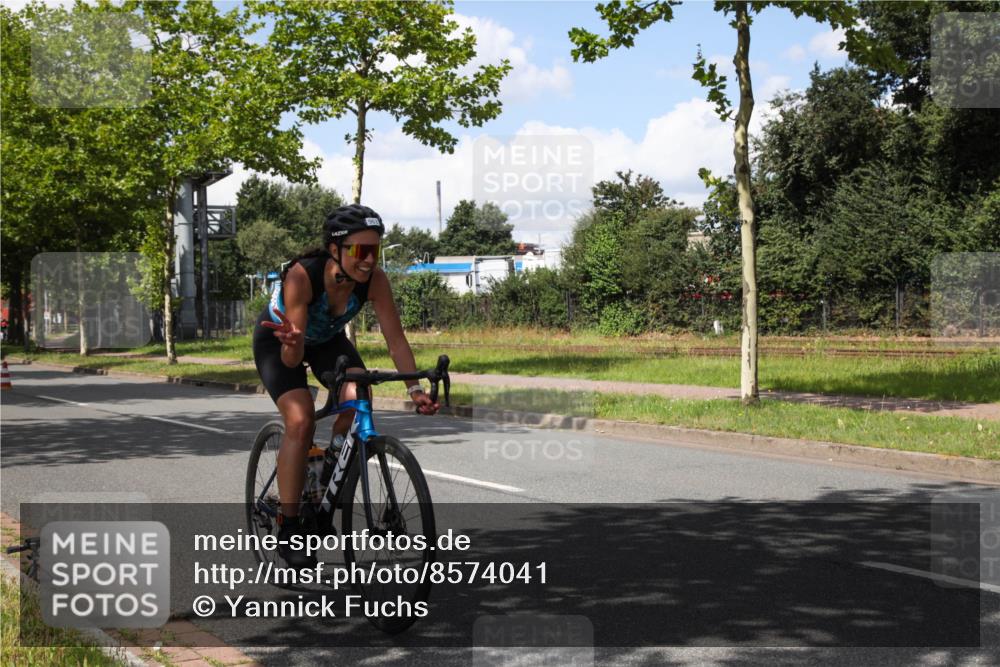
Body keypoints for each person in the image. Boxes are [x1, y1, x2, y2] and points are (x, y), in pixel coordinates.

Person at [252, 204, 440, 569]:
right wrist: (293, 345)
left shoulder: (376, 280)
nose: (369, 260)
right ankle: (289, 526)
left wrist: (414, 390)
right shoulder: (301, 277)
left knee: (359, 394)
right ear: (335, 249)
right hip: (282, 342)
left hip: (326, 341)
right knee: (301, 419)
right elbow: (293, 361)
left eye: (375, 250)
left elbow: (396, 339)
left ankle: (328, 468)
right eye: (360, 251)